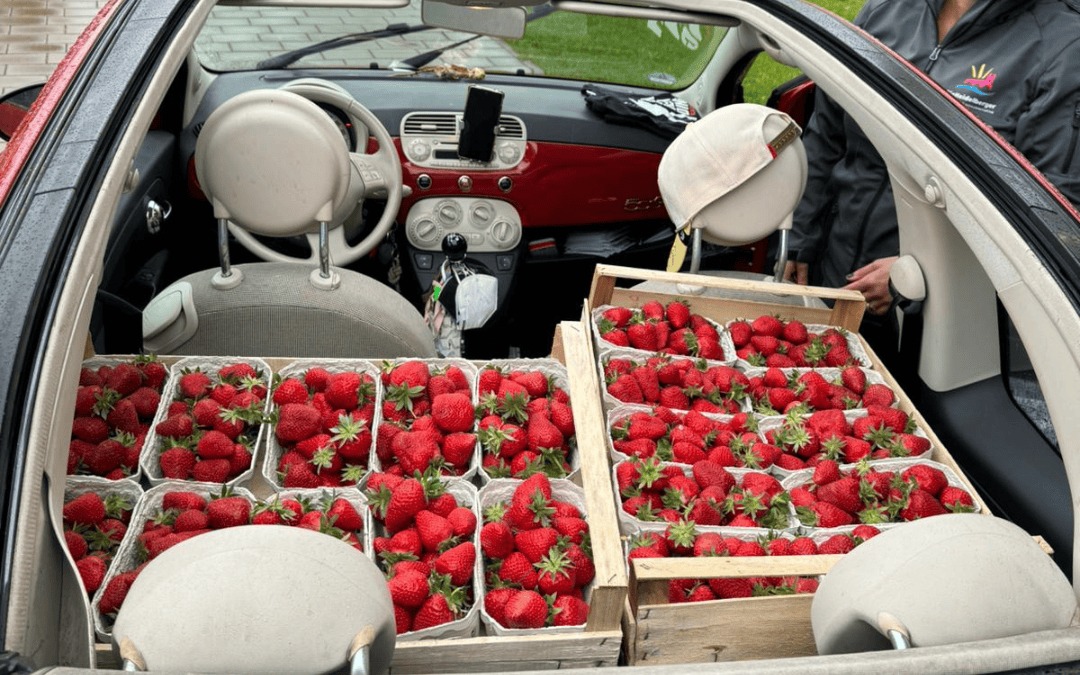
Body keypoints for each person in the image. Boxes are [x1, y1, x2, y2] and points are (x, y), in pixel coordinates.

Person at [782, 0, 1080, 357]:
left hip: (941, 322)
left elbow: (1047, 211)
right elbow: (827, 133)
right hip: (837, 276)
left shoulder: (1061, 43)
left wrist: (920, 271)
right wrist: (801, 234)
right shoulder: (885, 10)